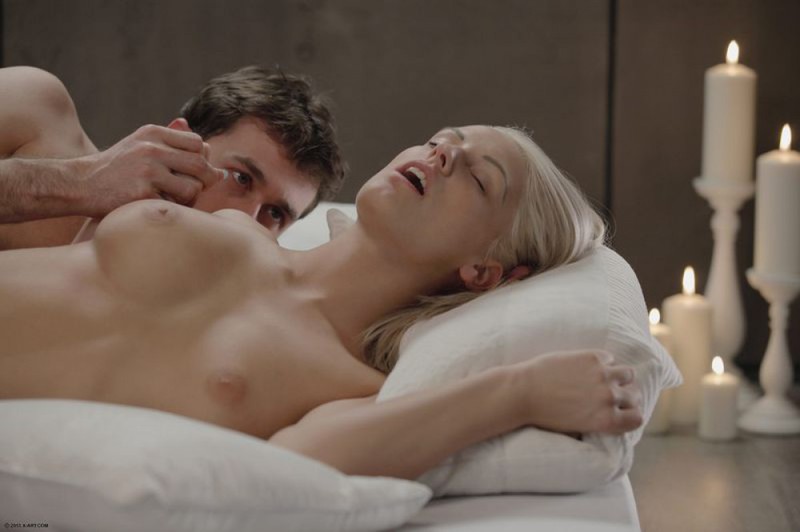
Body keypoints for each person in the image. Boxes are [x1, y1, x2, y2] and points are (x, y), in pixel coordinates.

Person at [0, 125, 642, 480]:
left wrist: (520, 392)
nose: (444, 153)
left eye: (478, 176)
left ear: (483, 270)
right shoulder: (233, 226)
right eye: (440, 140)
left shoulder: (350, 385)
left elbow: (299, 473)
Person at [0, 64, 344, 249]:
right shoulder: (34, 110)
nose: (244, 221)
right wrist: (83, 185)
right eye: (241, 178)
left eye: (275, 213)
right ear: (178, 142)